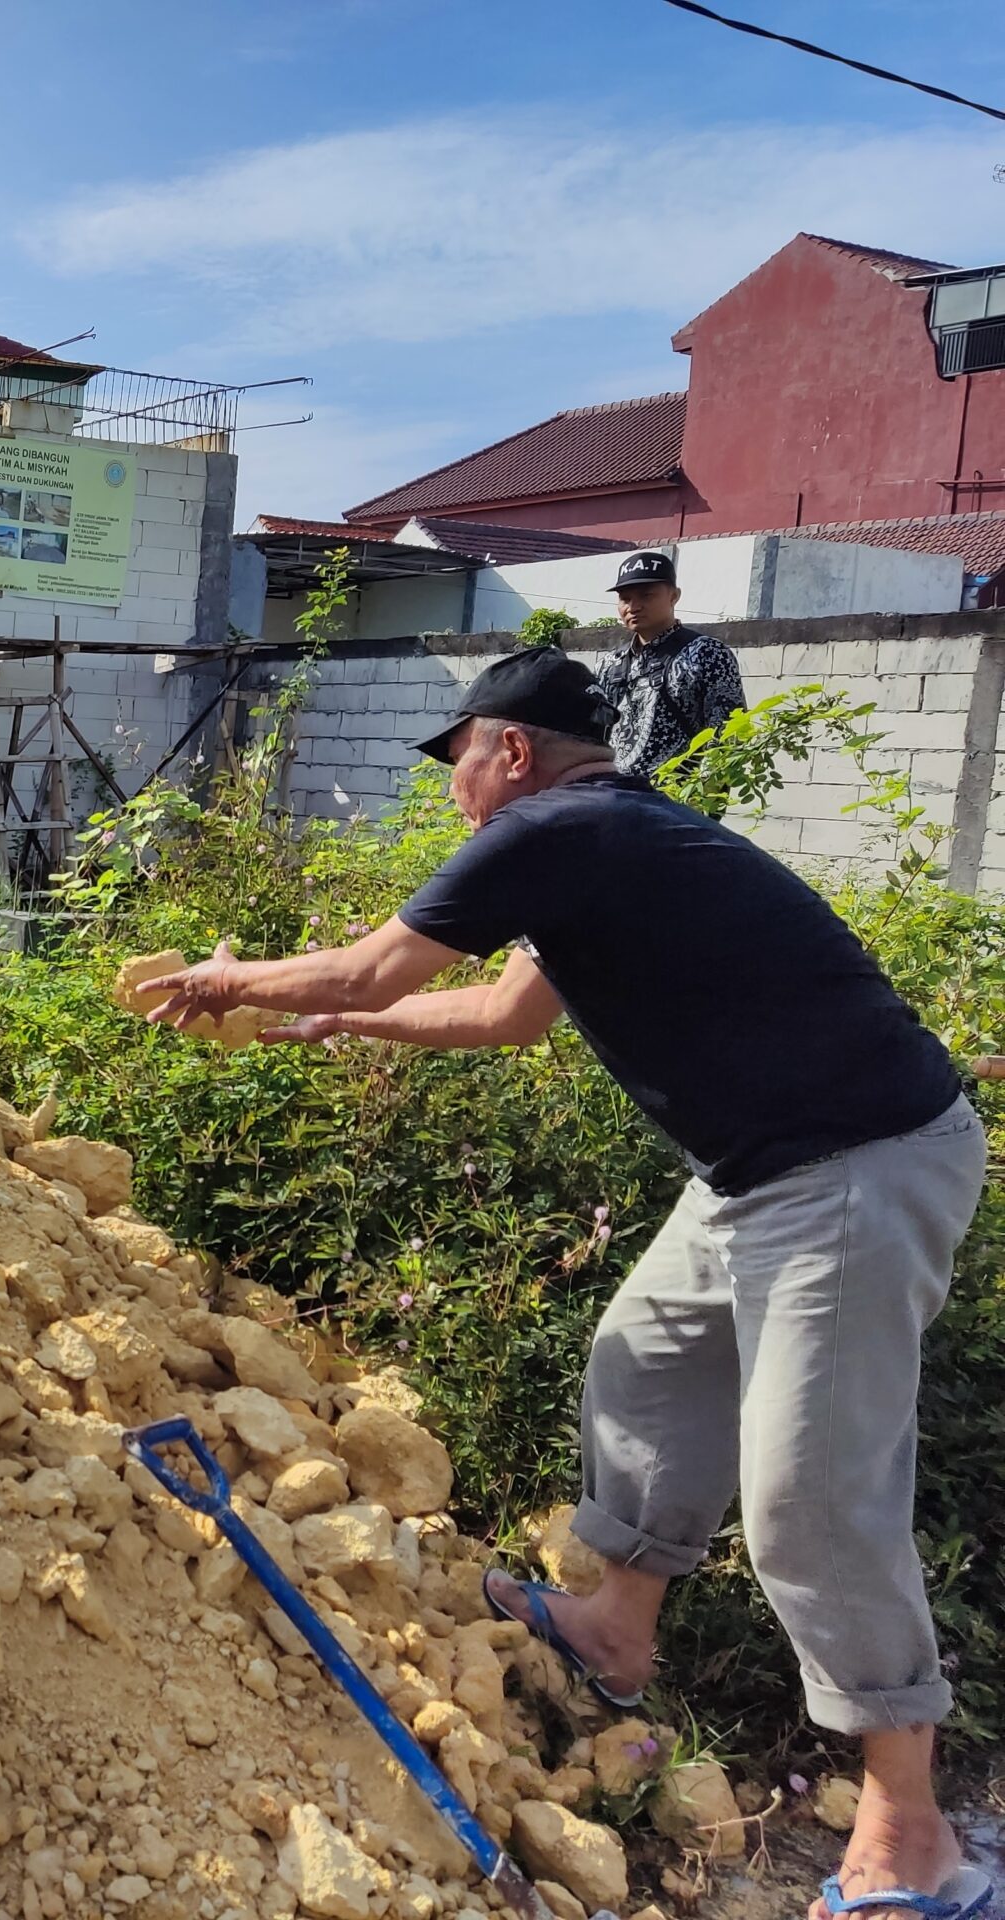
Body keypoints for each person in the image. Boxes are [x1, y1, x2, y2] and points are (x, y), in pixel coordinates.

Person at [141, 647, 987, 1920]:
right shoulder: (601, 841)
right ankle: (614, 1630)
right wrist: (337, 1022)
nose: (451, 787)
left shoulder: (554, 830)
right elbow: (499, 1016)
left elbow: (373, 964)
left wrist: (223, 981)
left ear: (512, 750)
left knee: (812, 1493)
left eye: (458, 758)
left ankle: (909, 1830)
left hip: (857, 1167)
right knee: (643, 1360)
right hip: (761, 1173)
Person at [594, 549, 745, 778]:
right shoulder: (609, 665)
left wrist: (702, 805)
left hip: (675, 804)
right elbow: (591, 739)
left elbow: (727, 737)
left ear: (674, 596)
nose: (633, 607)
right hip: (613, 801)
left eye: (646, 595)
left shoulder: (707, 654)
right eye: (625, 598)